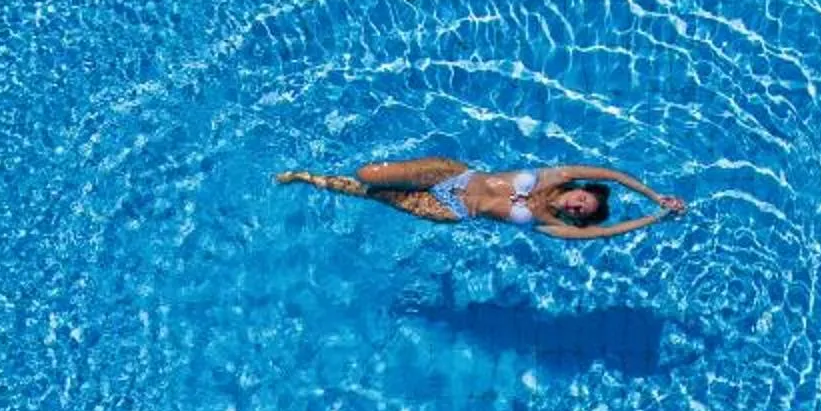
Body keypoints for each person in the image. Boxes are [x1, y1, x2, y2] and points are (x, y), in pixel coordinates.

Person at [277, 156, 687, 239]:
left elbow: (606, 233)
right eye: (584, 197)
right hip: (453, 174)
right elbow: (612, 172)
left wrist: (654, 220)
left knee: (372, 193)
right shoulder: (554, 175)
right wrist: (654, 195)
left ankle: (306, 178)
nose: (580, 204)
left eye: (584, 212)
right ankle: (321, 177)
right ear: (579, 188)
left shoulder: (553, 226)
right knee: (367, 173)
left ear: (578, 218)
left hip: (450, 209)